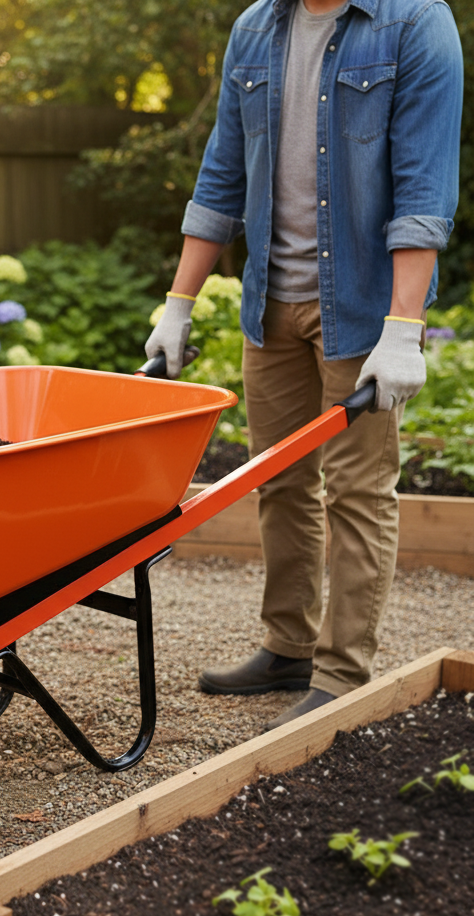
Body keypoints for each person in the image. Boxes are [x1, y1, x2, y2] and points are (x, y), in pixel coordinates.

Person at [145, 0, 463, 730]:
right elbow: (220, 176)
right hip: (270, 305)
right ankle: (289, 647)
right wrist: (178, 305)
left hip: (362, 312)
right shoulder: (256, 27)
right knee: (280, 481)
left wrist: (403, 328)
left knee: (358, 491)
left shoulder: (415, 22)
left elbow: (424, 189)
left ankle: (342, 676)